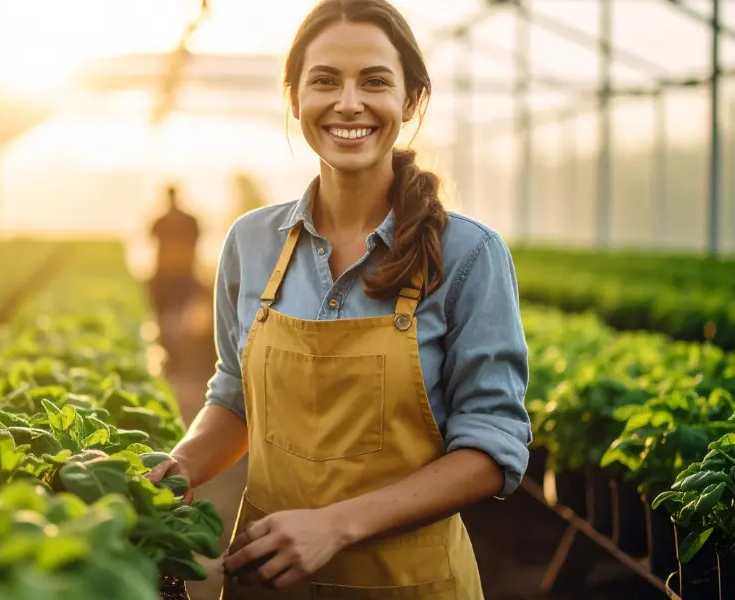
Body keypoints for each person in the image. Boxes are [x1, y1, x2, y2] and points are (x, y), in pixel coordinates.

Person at [146, 1, 531, 598]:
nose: (348, 102)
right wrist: (180, 468)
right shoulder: (251, 242)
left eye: (374, 81)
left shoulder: (470, 255)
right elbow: (234, 398)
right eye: (324, 80)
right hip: (267, 578)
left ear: (410, 102)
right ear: (295, 99)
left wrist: (337, 525)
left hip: (413, 582)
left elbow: (491, 446)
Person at [148, 185, 201, 345]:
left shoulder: (160, 220)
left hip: (165, 271)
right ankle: (176, 344)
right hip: (184, 271)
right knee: (180, 309)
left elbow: (152, 240)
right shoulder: (190, 220)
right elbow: (196, 241)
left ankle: (168, 343)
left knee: (164, 311)